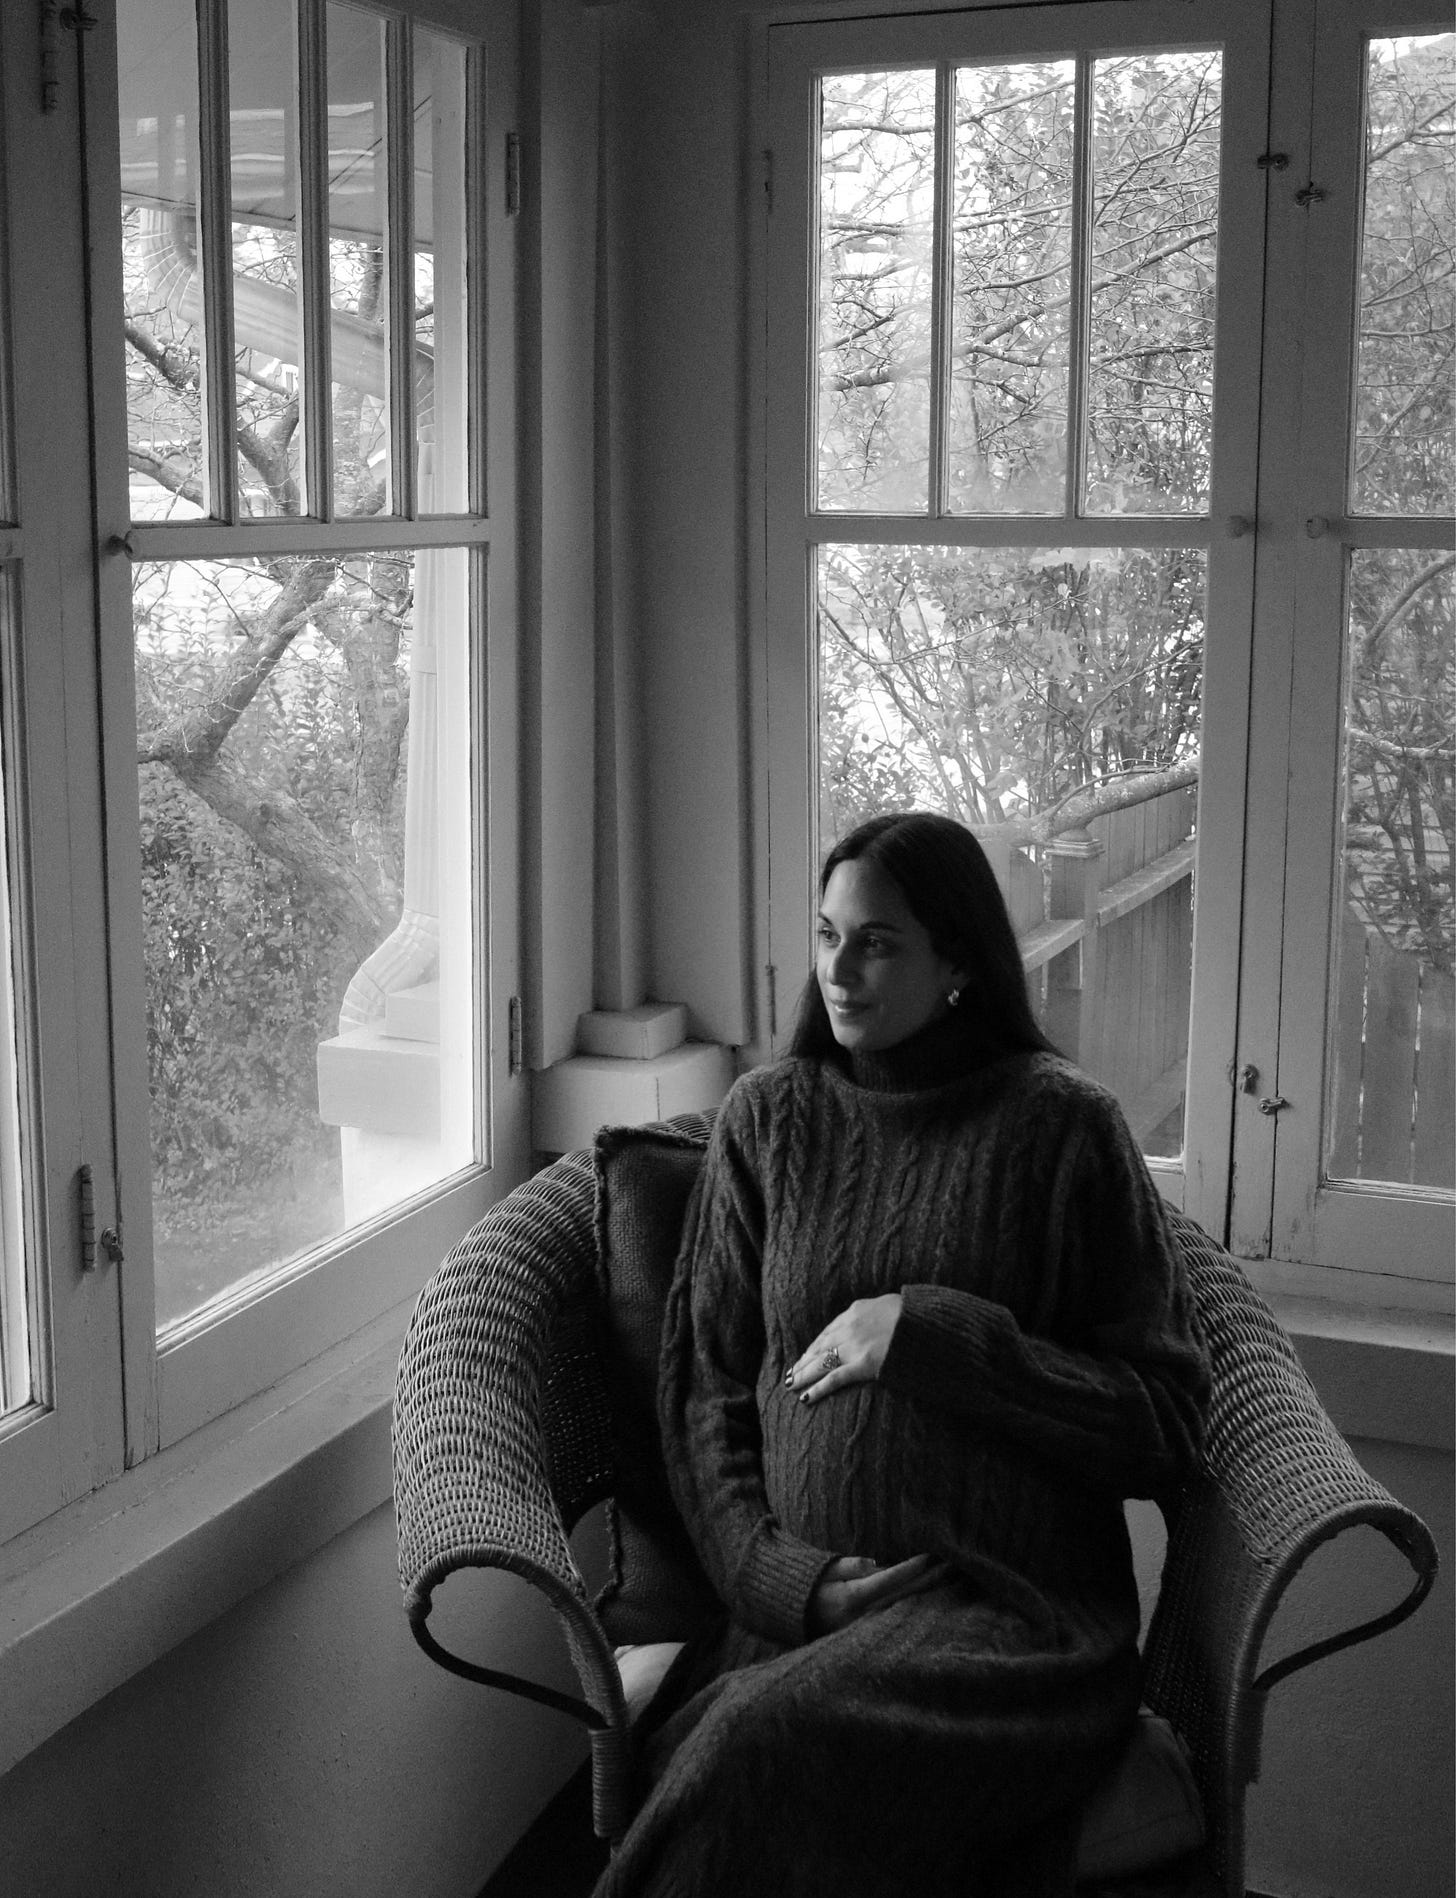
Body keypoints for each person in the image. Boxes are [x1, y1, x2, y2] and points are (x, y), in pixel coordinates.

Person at [594, 811, 1210, 1898]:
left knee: (753, 1747)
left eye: (876, 943)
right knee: (742, 1741)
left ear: (959, 961)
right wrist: (785, 1582)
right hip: (795, 1624)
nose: (838, 971)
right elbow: (705, 1400)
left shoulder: (1063, 1128)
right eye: (827, 934)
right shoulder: (768, 1120)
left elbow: (1161, 1424)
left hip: (1010, 1622)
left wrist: (939, 1338)